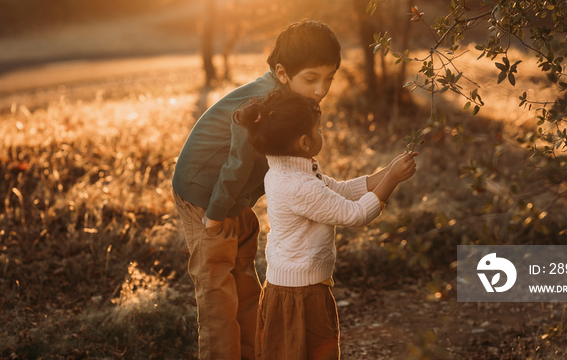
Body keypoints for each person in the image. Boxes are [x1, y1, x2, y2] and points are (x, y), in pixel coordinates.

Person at [171, 20, 342, 360]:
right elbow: (237, 164)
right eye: (311, 79)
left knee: (246, 288)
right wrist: (216, 215)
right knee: (218, 296)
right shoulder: (263, 106)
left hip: (232, 199)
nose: (321, 89)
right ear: (282, 73)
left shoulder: (295, 103)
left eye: (329, 78)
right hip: (204, 196)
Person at [234, 91, 418, 360]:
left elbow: (340, 190)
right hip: (300, 294)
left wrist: (386, 172)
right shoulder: (298, 185)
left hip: (297, 287)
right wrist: (390, 180)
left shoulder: (293, 170)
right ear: (305, 142)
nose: (322, 133)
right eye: (318, 130)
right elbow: (354, 215)